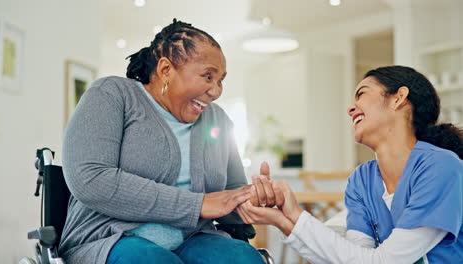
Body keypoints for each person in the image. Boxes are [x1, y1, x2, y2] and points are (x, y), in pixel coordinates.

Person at [58, 19, 265, 264]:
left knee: (244, 259)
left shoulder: (217, 119)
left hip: (194, 237)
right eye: (208, 76)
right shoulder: (113, 95)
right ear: (166, 69)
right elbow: (90, 179)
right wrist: (197, 205)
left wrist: (256, 199)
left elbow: (230, 198)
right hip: (110, 238)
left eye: (220, 80)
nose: (216, 91)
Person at [237, 66, 463, 263]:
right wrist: (283, 219)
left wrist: (296, 216)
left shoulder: (440, 167)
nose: (350, 108)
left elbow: (386, 262)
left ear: (398, 98)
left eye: (361, 94)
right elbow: (355, 258)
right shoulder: (362, 179)